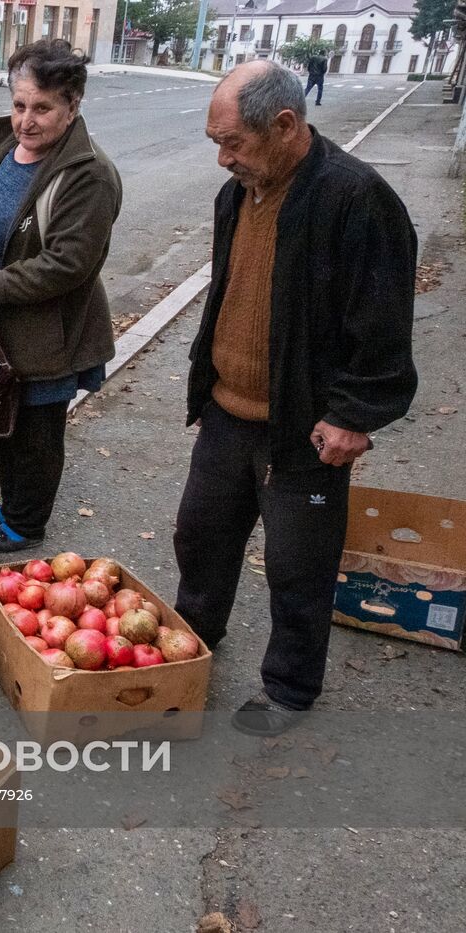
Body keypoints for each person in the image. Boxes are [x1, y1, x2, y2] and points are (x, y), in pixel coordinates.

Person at [176, 61, 417, 736]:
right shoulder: (238, 195)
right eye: (216, 143)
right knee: (202, 536)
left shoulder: (355, 200)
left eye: (234, 144)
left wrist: (353, 415)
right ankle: (193, 637)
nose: (224, 159)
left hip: (306, 427)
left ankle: (289, 686)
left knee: (297, 564)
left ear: (285, 126)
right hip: (229, 410)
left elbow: (383, 324)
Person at [0, 39, 122, 553]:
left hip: (48, 334)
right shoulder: (12, 146)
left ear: (73, 106)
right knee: (6, 424)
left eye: (43, 108)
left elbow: (70, 263)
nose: (26, 120)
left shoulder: (88, 176)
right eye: (19, 104)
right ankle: (13, 503)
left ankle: (27, 524)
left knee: (36, 434)